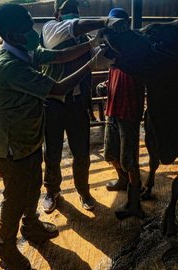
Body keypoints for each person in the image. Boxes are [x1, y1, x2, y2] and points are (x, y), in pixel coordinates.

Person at [0, 4, 112, 269]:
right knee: (15, 197)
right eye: (28, 27)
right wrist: (92, 61)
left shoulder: (23, 50)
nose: (34, 32)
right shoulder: (10, 66)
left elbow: (58, 56)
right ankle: (5, 246)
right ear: (13, 35)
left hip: (28, 138)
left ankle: (31, 227)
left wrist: (91, 43)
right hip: (11, 145)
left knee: (33, 185)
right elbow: (57, 88)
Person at [40, 0, 129, 214]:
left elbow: (97, 64)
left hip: (76, 104)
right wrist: (105, 21)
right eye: (67, 10)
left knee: (81, 153)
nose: (72, 14)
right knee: (51, 152)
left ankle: (83, 190)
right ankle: (52, 191)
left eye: (75, 10)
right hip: (52, 102)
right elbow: (74, 27)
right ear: (57, 14)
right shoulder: (50, 29)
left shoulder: (86, 39)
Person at [99, 8, 146, 219]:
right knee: (110, 153)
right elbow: (114, 72)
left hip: (128, 112)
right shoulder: (115, 50)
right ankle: (122, 179)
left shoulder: (135, 49)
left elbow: (131, 68)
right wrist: (106, 85)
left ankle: (134, 203)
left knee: (129, 160)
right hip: (113, 109)